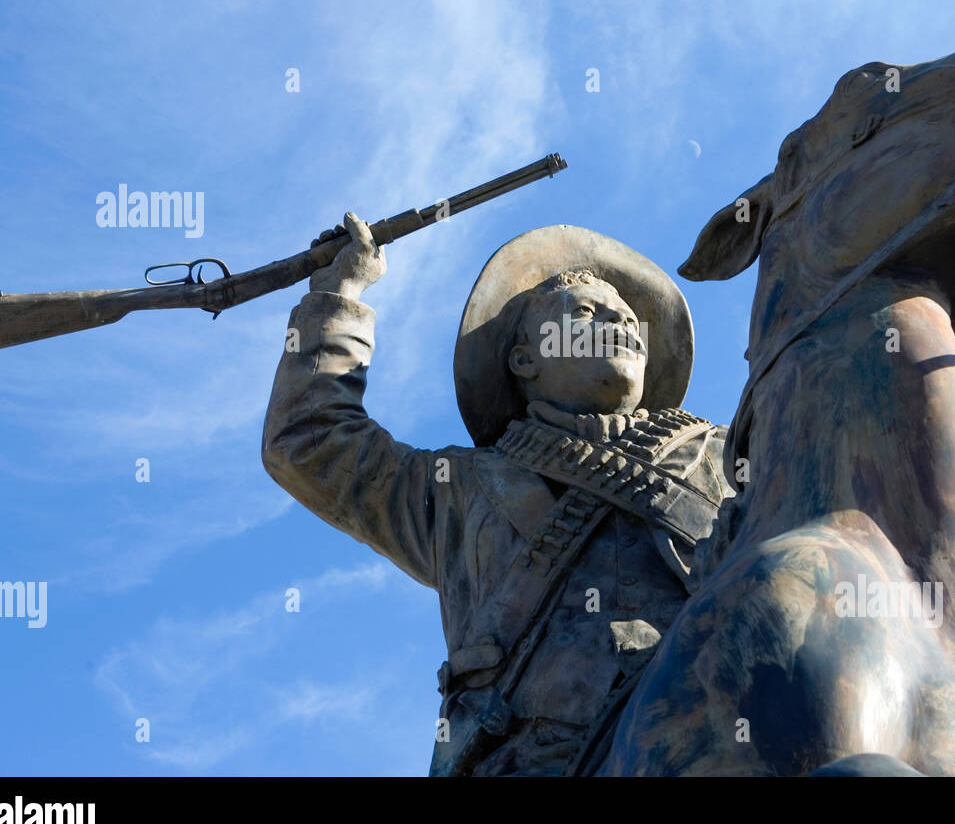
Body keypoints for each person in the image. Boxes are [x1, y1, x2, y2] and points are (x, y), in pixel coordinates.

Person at [262, 216, 731, 775]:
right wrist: (339, 294)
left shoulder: (728, 455)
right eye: (585, 312)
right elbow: (311, 442)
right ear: (524, 360)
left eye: (629, 319)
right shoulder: (456, 488)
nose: (619, 323)